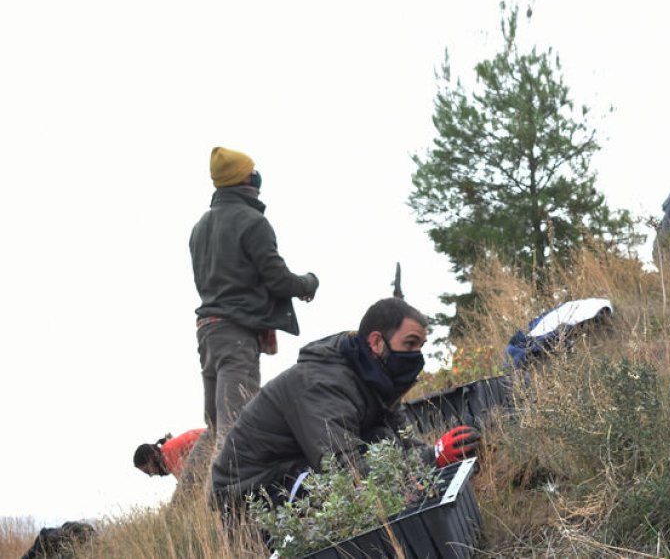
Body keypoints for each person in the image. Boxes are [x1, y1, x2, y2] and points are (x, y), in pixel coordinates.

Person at [210, 297, 480, 511]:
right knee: (346, 494)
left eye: (420, 346)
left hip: (298, 465)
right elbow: (346, 471)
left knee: (382, 441)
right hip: (251, 494)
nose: (416, 356)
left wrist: (442, 458)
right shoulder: (323, 384)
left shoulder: (378, 379)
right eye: (409, 344)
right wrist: (431, 457)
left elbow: (403, 442)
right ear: (376, 342)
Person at [184, 146, 320, 487]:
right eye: (253, 170)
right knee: (236, 426)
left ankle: (184, 503)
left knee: (215, 424)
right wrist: (308, 283)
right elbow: (277, 278)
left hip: (208, 330)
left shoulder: (200, 227)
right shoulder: (252, 222)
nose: (257, 174)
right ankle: (222, 508)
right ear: (246, 179)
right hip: (235, 334)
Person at [133, 428, 206, 478]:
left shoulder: (169, 455)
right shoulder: (167, 450)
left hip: (209, 444)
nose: (151, 474)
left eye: (148, 471)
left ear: (151, 458)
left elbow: (188, 486)